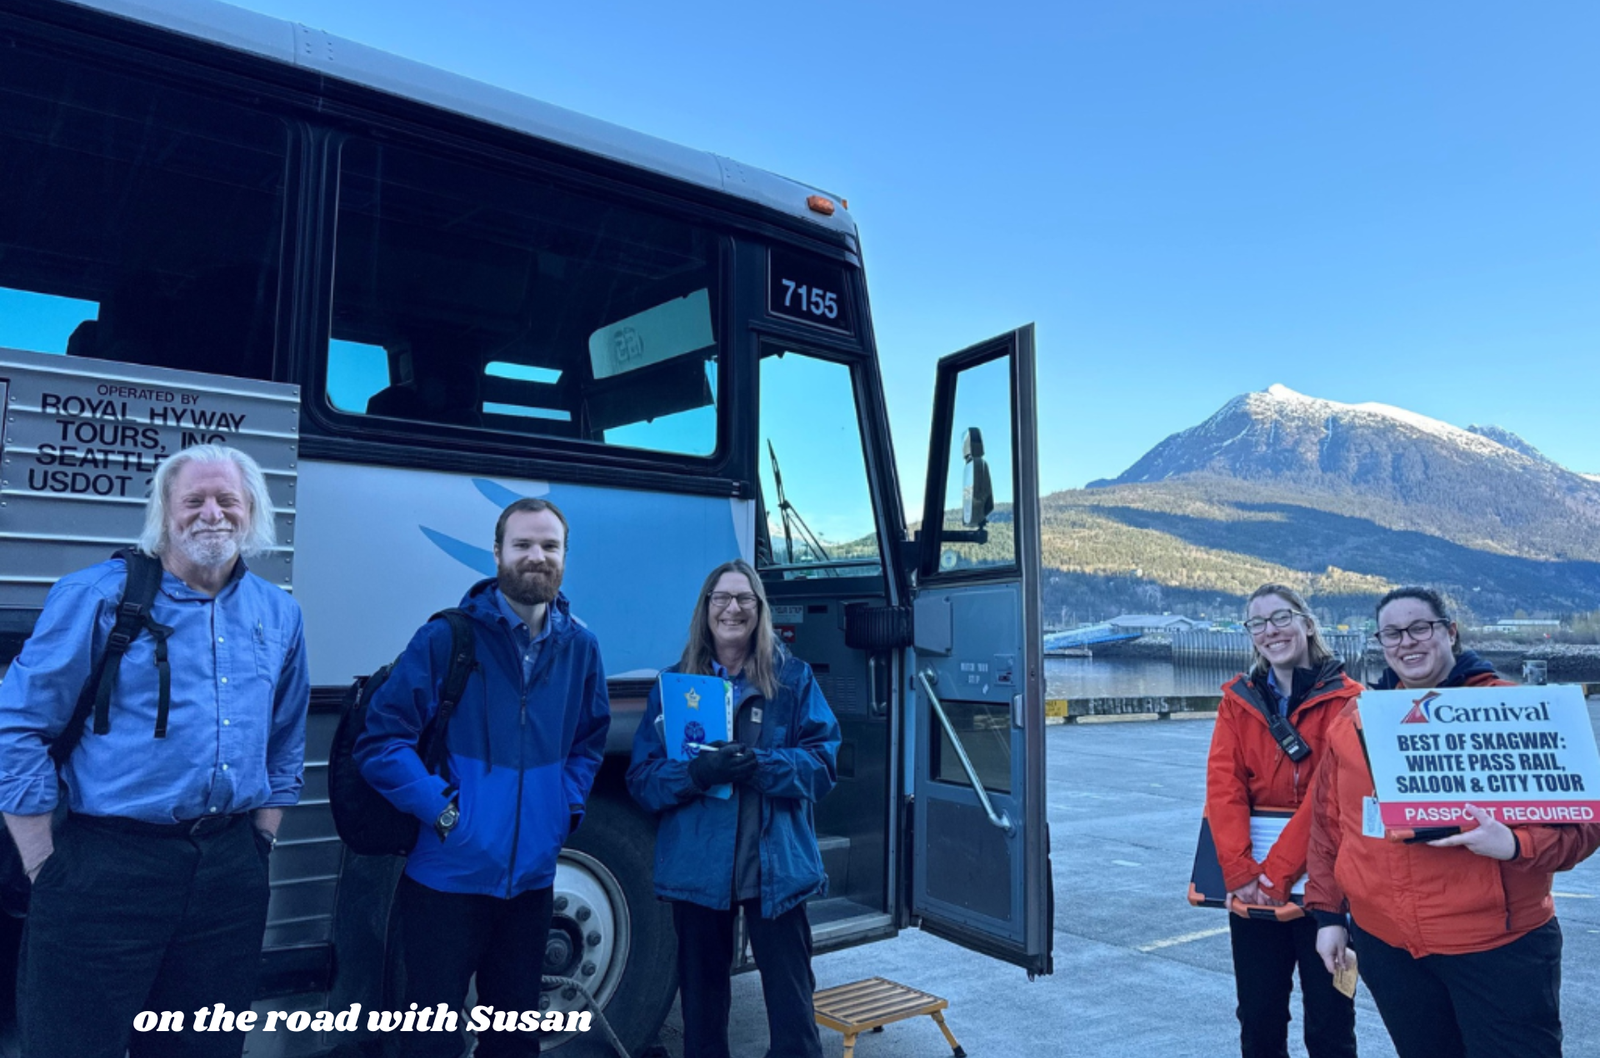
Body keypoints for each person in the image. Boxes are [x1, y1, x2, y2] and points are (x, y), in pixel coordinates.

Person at [0, 444, 309, 1058]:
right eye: (193, 500)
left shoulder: (279, 613)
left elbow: (285, 738)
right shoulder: (96, 596)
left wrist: (259, 843)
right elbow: (16, 727)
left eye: (227, 500)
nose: (212, 514)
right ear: (164, 513)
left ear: (252, 511)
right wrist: (44, 865)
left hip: (228, 872)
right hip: (105, 867)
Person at [355, 496, 609, 1058]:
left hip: (532, 887)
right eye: (523, 544)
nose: (537, 556)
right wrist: (444, 813)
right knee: (430, 1045)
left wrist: (562, 811)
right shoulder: (447, 639)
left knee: (515, 1043)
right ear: (497, 553)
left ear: (565, 557)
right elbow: (380, 743)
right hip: (445, 883)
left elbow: (588, 744)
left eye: (550, 546)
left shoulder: (581, 649)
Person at [1307, 586, 1600, 1058]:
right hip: (1389, 946)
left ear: (1450, 632)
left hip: (1495, 945)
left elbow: (1584, 824)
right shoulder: (1356, 718)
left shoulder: (1517, 709)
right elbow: (1329, 825)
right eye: (1391, 633)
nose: (1406, 641)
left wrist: (1515, 844)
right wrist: (1328, 916)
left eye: (1420, 628)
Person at [626, 559, 839, 1058]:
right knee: (702, 1018)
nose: (732, 608)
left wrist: (759, 766)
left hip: (775, 871)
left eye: (744, 598)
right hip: (699, 871)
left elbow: (823, 765)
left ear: (759, 610)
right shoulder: (674, 686)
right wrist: (697, 774)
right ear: (706, 609)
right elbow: (642, 780)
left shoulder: (793, 680)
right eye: (721, 598)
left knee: (794, 1018)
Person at [1205, 584, 1360, 1058]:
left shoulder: (1351, 701)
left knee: (1332, 1025)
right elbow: (1224, 787)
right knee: (1258, 1020)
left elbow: (1329, 798)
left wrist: (1276, 873)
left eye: (1281, 618)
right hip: (1252, 885)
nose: (1270, 630)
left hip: (1329, 888)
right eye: (1258, 623)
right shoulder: (1237, 702)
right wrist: (1240, 872)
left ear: (1307, 624)